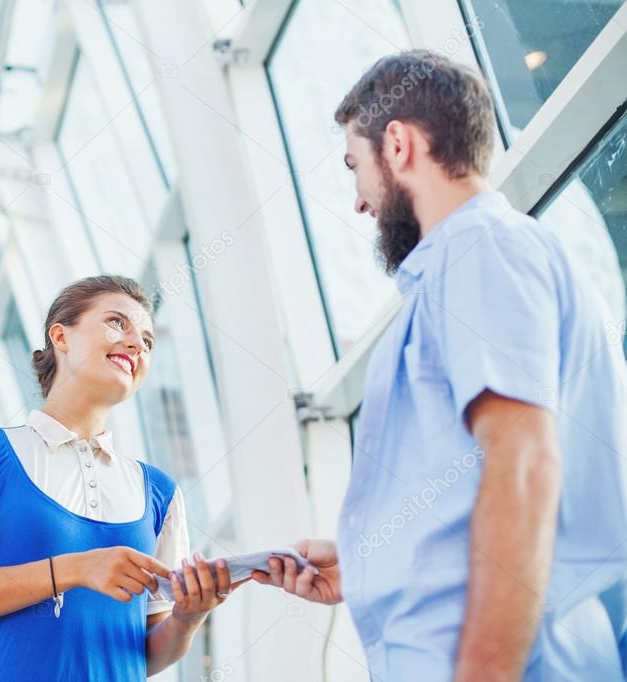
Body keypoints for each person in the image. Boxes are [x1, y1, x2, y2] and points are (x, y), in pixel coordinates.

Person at [253, 50, 627, 680]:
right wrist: (373, 561)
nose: (359, 202)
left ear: (397, 145)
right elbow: (483, 477)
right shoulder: (473, 267)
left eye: (355, 167)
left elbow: (526, 466)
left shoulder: (481, 253)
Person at [0, 275, 242, 681]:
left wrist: (189, 618)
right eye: (117, 323)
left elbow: (145, 654)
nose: (136, 344)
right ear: (61, 337)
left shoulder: (160, 495)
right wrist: (75, 569)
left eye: (148, 341)